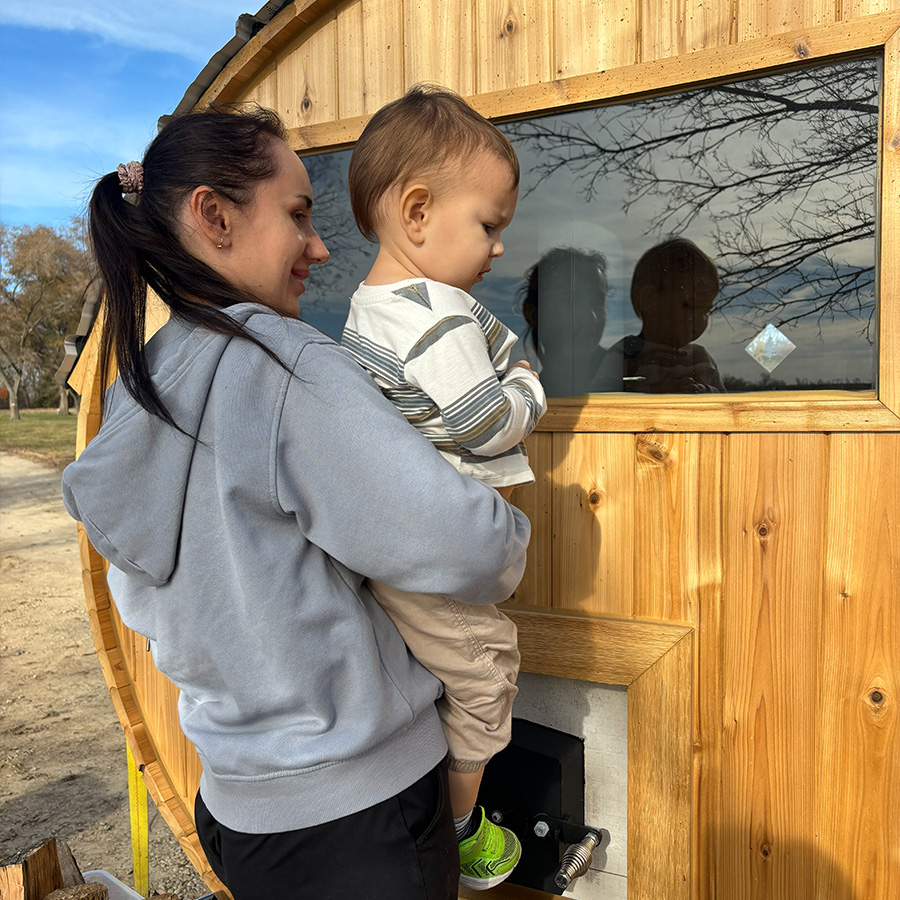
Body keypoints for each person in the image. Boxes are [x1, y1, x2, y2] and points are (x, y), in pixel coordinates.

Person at [60, 105, 532, 900]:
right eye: (297, 215)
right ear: (213, 216)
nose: (319, 247)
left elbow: (143, 601)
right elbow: (469, 549)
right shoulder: (283, 368)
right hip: (362, 819)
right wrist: (512, 525)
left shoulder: (142, 390)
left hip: (240, 812)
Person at [341, 85, 546, 890]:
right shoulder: (436, 314)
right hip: (435, 544)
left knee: (440, 672)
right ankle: (459, 825)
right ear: (417, 211)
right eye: (489, 225)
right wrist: (531, 388)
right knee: (486, 673)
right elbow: (483, 423)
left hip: (399, 541)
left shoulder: (368, 311)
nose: (497, 249)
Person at [594, 237, 725, 393]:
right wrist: (652, 391)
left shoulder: (701, 357)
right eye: (689, 306)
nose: (699, 319)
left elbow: (724, 401)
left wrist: (704, 390)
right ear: (650, 300)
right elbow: (602, 394)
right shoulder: (627, 353)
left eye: (706, 311)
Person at [517, 247, 609, 396]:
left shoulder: (628, 375)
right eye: (571, 300)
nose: (591, 317)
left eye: (598, 302)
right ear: (530, 312)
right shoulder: (526, 399)